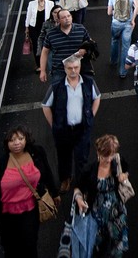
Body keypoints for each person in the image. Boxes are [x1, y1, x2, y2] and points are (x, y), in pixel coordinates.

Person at [0, 125, 57, 258]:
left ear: (26, 139)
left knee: (30, 245)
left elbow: (47, 172)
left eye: (20, 139)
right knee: (11, 249)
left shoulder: (37, 153)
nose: (17, 143)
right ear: (7, 143)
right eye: (12, 140)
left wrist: (54, 192)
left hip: (30, 212)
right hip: (6, 217)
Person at [42, 54, 101, 194]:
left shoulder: (88, 82)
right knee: (63, 156)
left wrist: (90, 116)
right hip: (63, 130)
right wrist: (54, 125)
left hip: (82, 128)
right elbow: (45, 105)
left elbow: (97, 97)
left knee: (82, 158)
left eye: (76, 67)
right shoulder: (56, 86)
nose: (73, 71)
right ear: (65, 69)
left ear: (80, 67)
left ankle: (81, 184)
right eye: (70, 68)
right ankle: (65, 179)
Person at [75, 135, 130, 257]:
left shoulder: (118, 161)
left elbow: (126, 170)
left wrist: (124, 176)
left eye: (112, 155)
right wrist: (79, 199)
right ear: (98, 152)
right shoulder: (89, 170)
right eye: (106, 156)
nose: (109, 159)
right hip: (96, 214)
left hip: (116, 212)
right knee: (96, 246)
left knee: (116, 246)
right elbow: (78, 187)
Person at [40, 8, 92, 85]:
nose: (67, 19)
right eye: (63, 17)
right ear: (58, 20)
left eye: (68, 16)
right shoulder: (51, 34)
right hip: (59, 69)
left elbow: (91, 43)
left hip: (78, 68)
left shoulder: (81, 29)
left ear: (71, 17)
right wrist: (43, 71)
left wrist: (85, 49)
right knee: (58, 93)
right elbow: (44, 52)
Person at [108, 0, 138, 78]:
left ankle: (113, 61)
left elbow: (109, 12)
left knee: (114, 40)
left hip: (116, 23)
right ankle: (123, 72)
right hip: (128, 24)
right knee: (126, 47)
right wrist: (133, 19)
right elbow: (137, 7)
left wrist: (116, 12)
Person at [25, 0, 55, 72]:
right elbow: (28, 16)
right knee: (36, 46)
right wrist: (27, 28)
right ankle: (39, 65)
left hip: (46, 28)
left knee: (47, 45)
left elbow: (53, 15)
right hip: (34, 28)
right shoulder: (32, 4)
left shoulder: (50, 3)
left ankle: (48, 63)